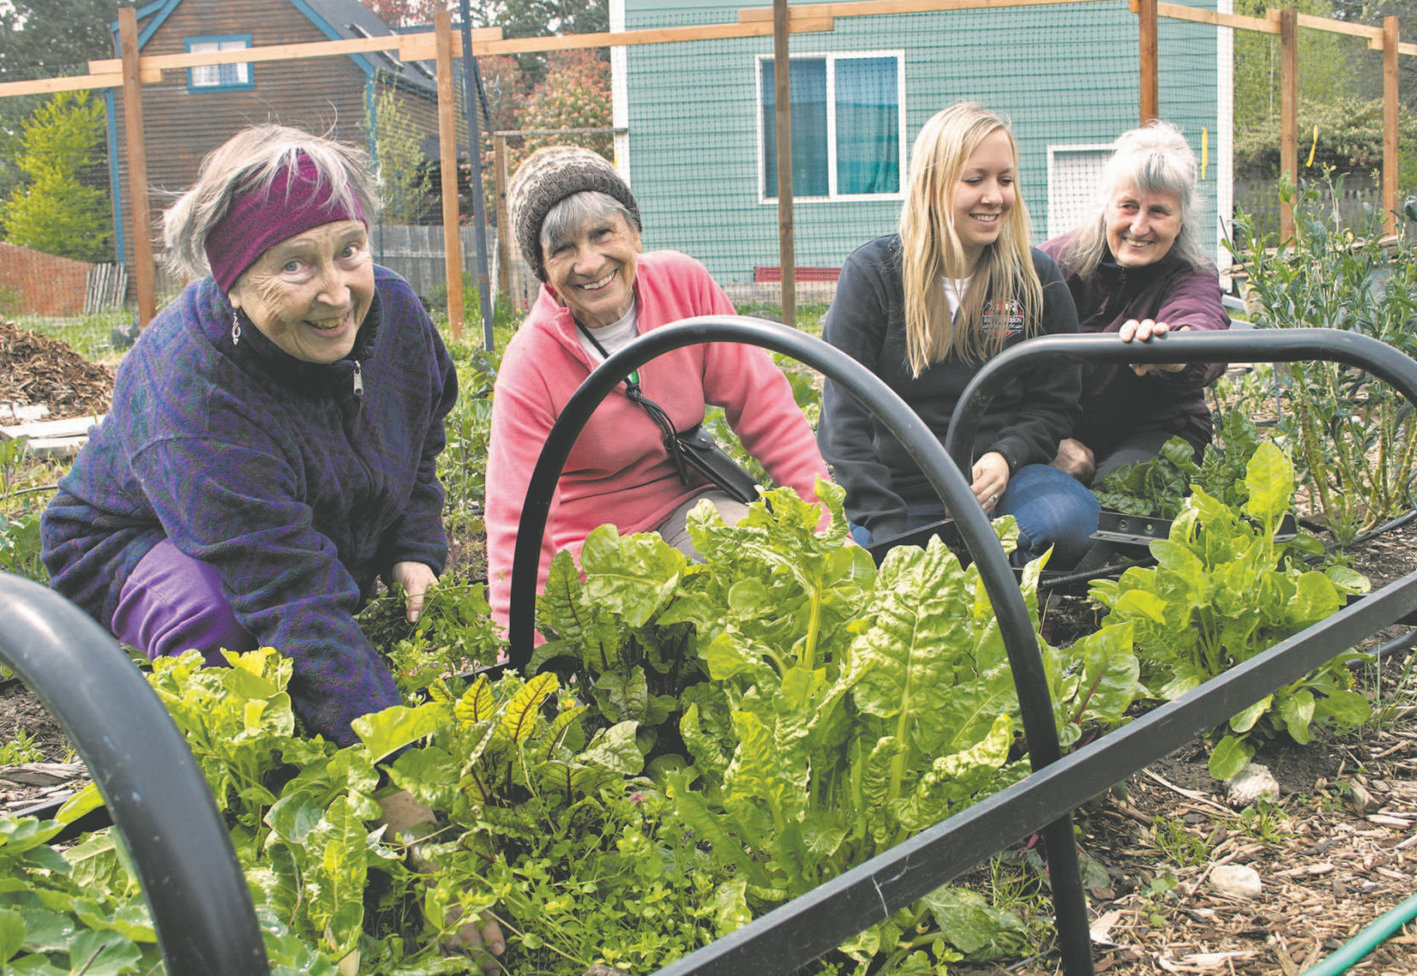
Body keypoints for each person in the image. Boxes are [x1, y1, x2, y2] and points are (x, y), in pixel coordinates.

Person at [39, 126, 506, 971]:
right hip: (130, 540)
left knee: (347, 636)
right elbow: (289, 592)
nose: (336, 293)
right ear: (232, 279)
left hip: (299, 516)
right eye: (294, 265)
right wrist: (406, 798)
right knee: (226, 625)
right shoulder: (191, 387)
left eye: (349, 251)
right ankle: (247, 809)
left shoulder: (391, 312)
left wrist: (412, 543)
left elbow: (425, 428)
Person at [484, 146, 831, 632]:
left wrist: (827, 530)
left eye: (603, 233)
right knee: (648, 641)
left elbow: (766, 408)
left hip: (691, 507)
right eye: (562, 248)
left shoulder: (683, 285)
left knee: (762, 570)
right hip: (595, 547)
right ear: (543, 270)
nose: (589, 263)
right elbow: (515, 518)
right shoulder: (530, 364)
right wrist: (522, 647)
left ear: (634, 232)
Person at [816, 102, 1098, 567]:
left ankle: (1001, 587)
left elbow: (1054, 402)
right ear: (933, 183)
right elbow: (843, 424)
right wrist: (890, 536)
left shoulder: (1035, 277)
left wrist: (1006, 457)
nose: (995, 196)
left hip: (1007, 484)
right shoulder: (873, 274)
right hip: (901, 485)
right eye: (975, 179)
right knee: (869, 559)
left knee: (1064, 522)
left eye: (1005, 180)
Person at [1040, 120, 1230, 486]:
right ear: (1107, 206)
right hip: (1057, 431)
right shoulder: (1053, 266)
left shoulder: (1192, 274)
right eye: (1128, 206)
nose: (1139, 227)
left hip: (1157, 431)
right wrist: (1042, 440)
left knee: (1119, 495)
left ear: (1182, 220)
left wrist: (1169, 349)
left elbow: (1200, 321)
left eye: (1158, 211)